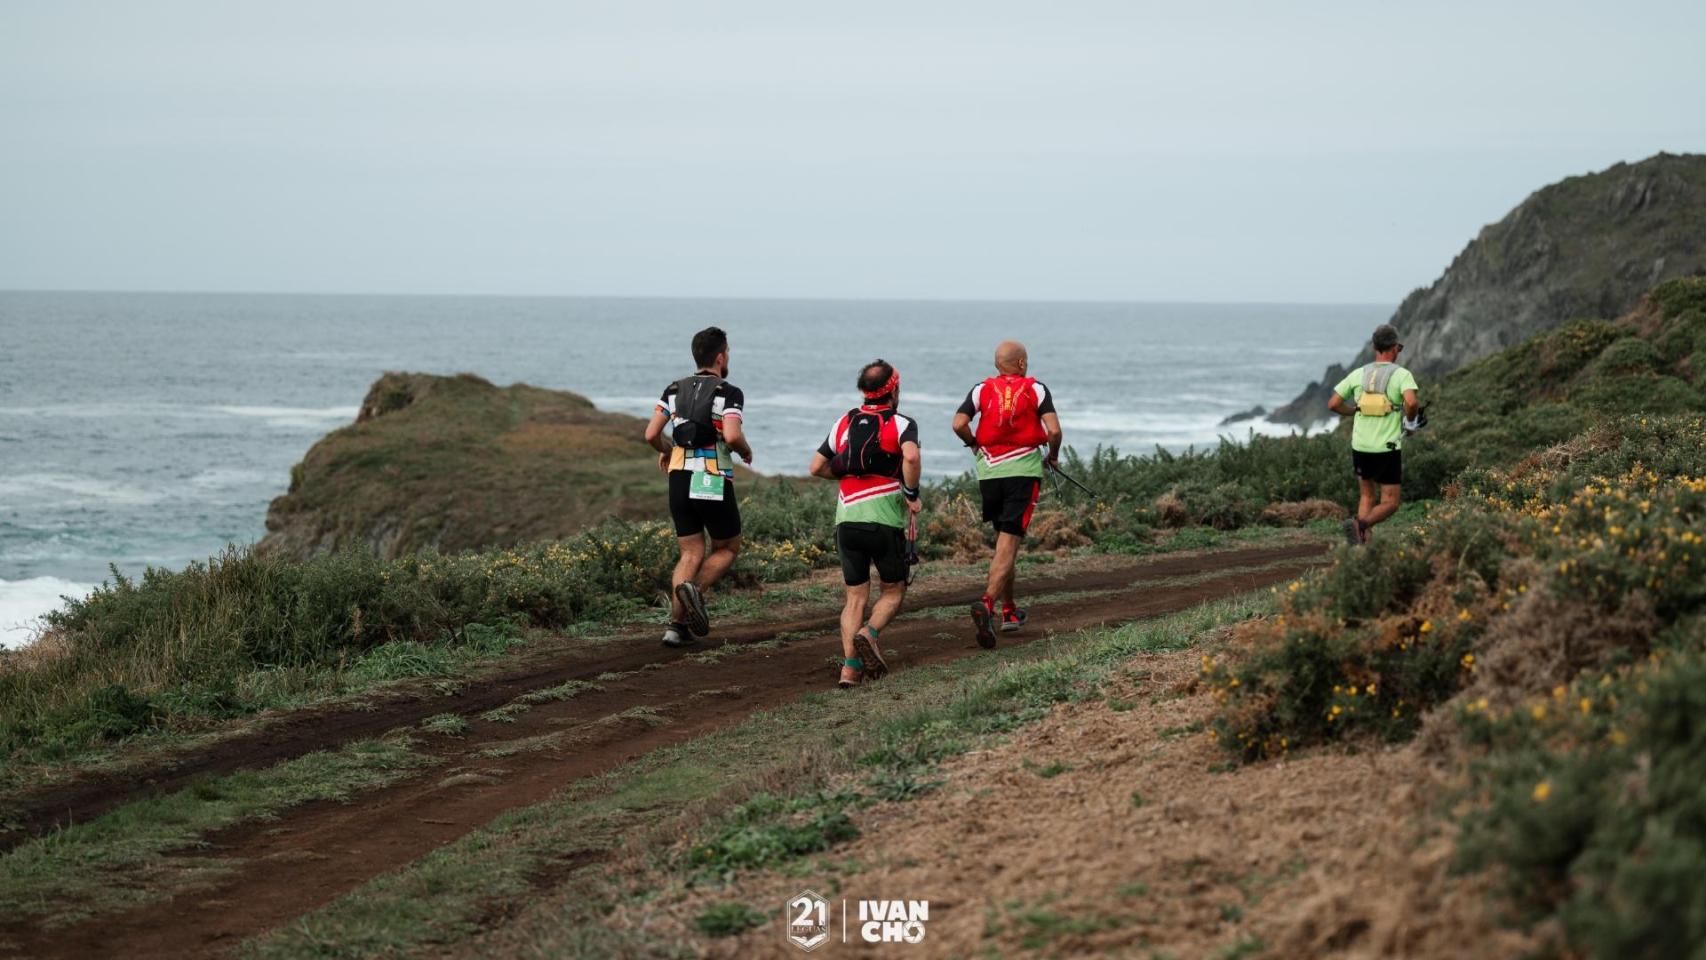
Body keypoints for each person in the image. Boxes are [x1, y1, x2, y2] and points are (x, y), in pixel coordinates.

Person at [808, 360, 922, 688]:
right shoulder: (901, 423)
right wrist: (911, 493)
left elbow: (816, 467)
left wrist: (848, 477)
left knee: (855, 597)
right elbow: (911, 457)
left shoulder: (844, 421)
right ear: (893, 390)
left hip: (847, 520)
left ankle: (849, 670)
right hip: (884, 521)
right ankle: (868, 634)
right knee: (893, 590)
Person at [644, 326, 753, 647]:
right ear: (720, 357)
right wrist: (744, 450)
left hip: (678, 477)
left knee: (690, 552)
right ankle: (695, 593)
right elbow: (731, 435)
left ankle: (676, 628)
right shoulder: (728, 392)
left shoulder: (673, 389)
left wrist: (667, 451)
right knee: (726, 548)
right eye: (727, 352)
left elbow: (651, 434)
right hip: (711, 477)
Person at [951, 340, 1063, 649]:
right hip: (1022, 474)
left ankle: (1009, 610)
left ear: (997, 364)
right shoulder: (1036, 388)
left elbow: (958, 423)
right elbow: (1054, 431)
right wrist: (1053, 456)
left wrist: (974, 444)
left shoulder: (980, 389)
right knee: (1009, 543)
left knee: (1004, 542)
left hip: (990, 474)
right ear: (1022, 363)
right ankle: (987, 604)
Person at [1327, 323, 1421, 545]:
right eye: (1399, 348)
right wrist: (1410, 423)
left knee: (1367, 496)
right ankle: (1360, 525)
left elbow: (1333, 404)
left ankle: (1362, 549)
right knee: (1391, 502)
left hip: (1360, 446)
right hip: (1386, 448)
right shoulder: (1401, 375)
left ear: (1374, 348)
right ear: (1395, 347)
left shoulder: (1359, 373)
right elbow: (1411, 402)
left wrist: (1353, 411)